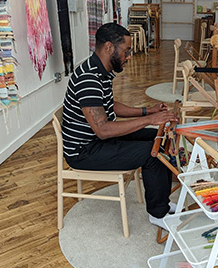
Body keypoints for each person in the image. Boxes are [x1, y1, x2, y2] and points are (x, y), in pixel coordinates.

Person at [61, 22, 178, 230]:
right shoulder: (88, 78)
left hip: (95, 141)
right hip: (84, 151)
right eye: (126, 51)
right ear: (108, 47)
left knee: (154, 138)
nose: (129, 56)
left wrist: (147, 111)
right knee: (151, 153)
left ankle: (162, 201)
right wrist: (150, 119)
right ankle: (158, 214)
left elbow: (110, 106)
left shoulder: (101, 71)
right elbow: (103, 129)